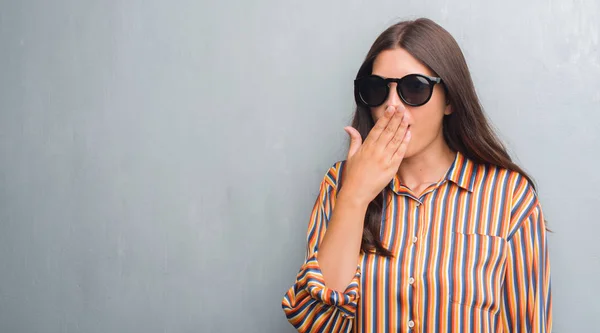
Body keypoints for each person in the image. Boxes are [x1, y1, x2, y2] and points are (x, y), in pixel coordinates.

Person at [281, 18, 552, 333]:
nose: (392, 106)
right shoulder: (339, 185)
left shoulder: (509, 196)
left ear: (449, 99)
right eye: (377, 89)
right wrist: (354, 197)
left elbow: (527, 325)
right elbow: (315, 323)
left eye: (413, 88)